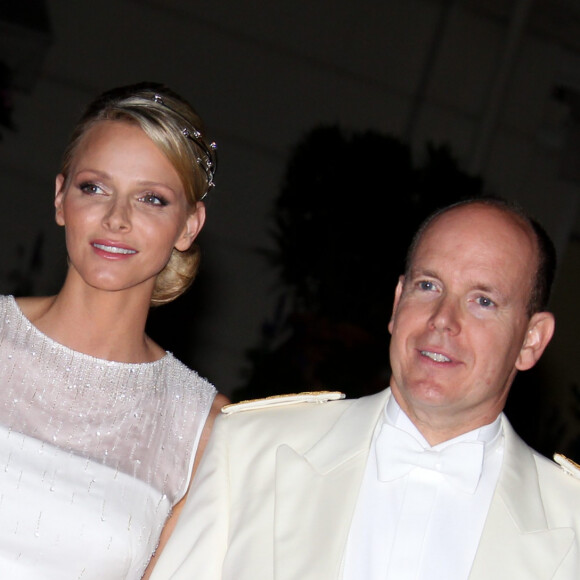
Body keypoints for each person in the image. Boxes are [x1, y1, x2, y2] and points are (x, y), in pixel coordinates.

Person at [150, 197, 580, 580]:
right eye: (428, 286)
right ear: (397, 303)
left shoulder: (571, 523)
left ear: (531, 341)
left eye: (483, 301)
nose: (443, 320)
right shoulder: (249, 451)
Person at [0, 82, 229, 579]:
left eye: (151, 199)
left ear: (189, 226)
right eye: (94, 188)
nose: (116, 219)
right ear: (61, 198)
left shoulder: (208, 430)